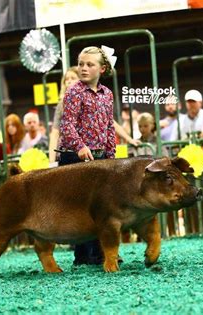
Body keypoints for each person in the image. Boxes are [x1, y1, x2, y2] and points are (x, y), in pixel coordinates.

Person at [59, 46, 116, 265]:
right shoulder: (73, 91)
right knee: (82, 208)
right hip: (75, 157)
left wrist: (111, 155)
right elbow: (67, 125)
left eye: (89, 64)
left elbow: (109, 127)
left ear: (102, 69)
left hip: (100, 158)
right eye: (81, 63)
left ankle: (92, 254)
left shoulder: (108, 94)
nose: (83, 68)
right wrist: (80, 147)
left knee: (100, 206)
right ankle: (88, 255)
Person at [49, 69, 139, 163]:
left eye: (73, 78)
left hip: (93, 153)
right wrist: (51, 162)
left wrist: (129, 139)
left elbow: (110, 122)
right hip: (72, 154)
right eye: (66, 79)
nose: (69, 81)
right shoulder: (61, 105)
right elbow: (55, 133)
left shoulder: (94, 97)